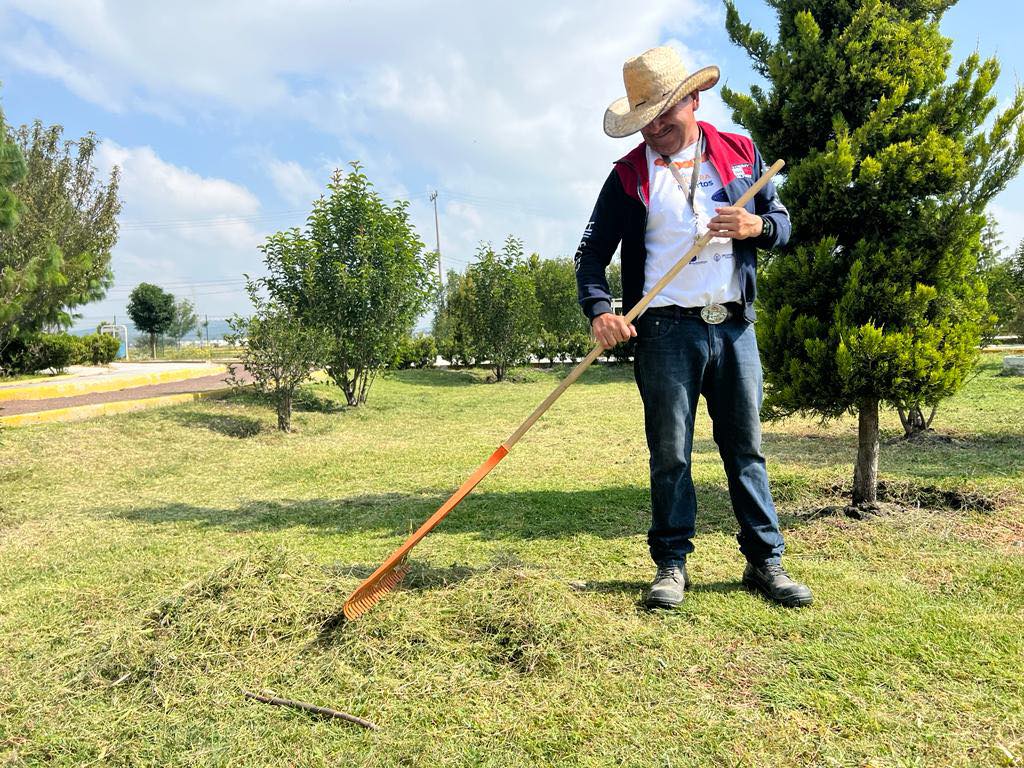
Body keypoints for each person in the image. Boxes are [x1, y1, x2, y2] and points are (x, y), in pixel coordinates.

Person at [574, 46, 812, 609]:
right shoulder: (630, 175)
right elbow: (589, 256)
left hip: (734, 328)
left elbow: (782, 224)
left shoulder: (741, 154)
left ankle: (765, 563)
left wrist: (756, 225)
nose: (654, 128)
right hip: (664, 335)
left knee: (745, 449)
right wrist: (600, 309)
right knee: (671, 453)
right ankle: (671, 565)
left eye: (664, 114)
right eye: (643, 119)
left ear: (694, 100)